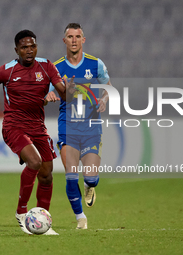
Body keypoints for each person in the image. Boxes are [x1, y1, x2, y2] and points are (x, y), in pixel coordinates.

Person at [0, 30, 72, 235]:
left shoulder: (47, 66)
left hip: (38, 127)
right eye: (24, 47)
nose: (29, 51)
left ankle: (42, 221)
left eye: (32, 46)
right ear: (17, 50)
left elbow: (64, 93)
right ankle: (21, 211)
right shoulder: (8, 70)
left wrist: (68, 89)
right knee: (35, 162)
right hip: (14, 126)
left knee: (47, 175)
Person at [46, 23, 112, 229]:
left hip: (91, 126)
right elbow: (46, 94)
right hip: (68, 126)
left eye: (77, 36)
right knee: (71, 174)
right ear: (64, 40)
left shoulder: (96, 64)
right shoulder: (55, 68)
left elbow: (108, 87)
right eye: (70, 36)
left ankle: (89, 185)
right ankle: (80, 218)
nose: (74, 40)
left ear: (83, 40)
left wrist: (104, 99)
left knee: (91, 177)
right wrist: (48, 96)